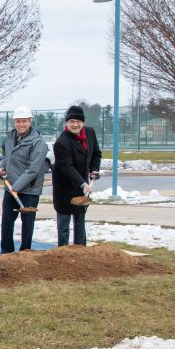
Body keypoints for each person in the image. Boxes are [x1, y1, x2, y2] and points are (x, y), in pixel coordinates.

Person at [0, 105, 48, 253]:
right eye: (18, 121)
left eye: (24, 121)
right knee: (7, 220)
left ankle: (25, 253)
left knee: (27, 223)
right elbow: (5, 156)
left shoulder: (38, 142)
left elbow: (34, 169)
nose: (21, 124)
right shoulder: (9, 137)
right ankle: (6, 252)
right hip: (10, 188)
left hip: (29, 190)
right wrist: (1, 167)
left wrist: (16, 186)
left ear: (30, 121)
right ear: (14, 122)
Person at [52, 105, 102, 246]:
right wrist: (83, 184)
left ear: (83, 122)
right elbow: (67, 168)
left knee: (80, 219)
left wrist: (94, 169)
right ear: (66, 123)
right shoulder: (61, 143)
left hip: (81, 183)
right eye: (71, 121)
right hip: (64, 187)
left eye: (78, 121)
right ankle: (62, 253)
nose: (75, 124)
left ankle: (80, 251)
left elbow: (96, 154)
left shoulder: (90, 133)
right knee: (64, 223)